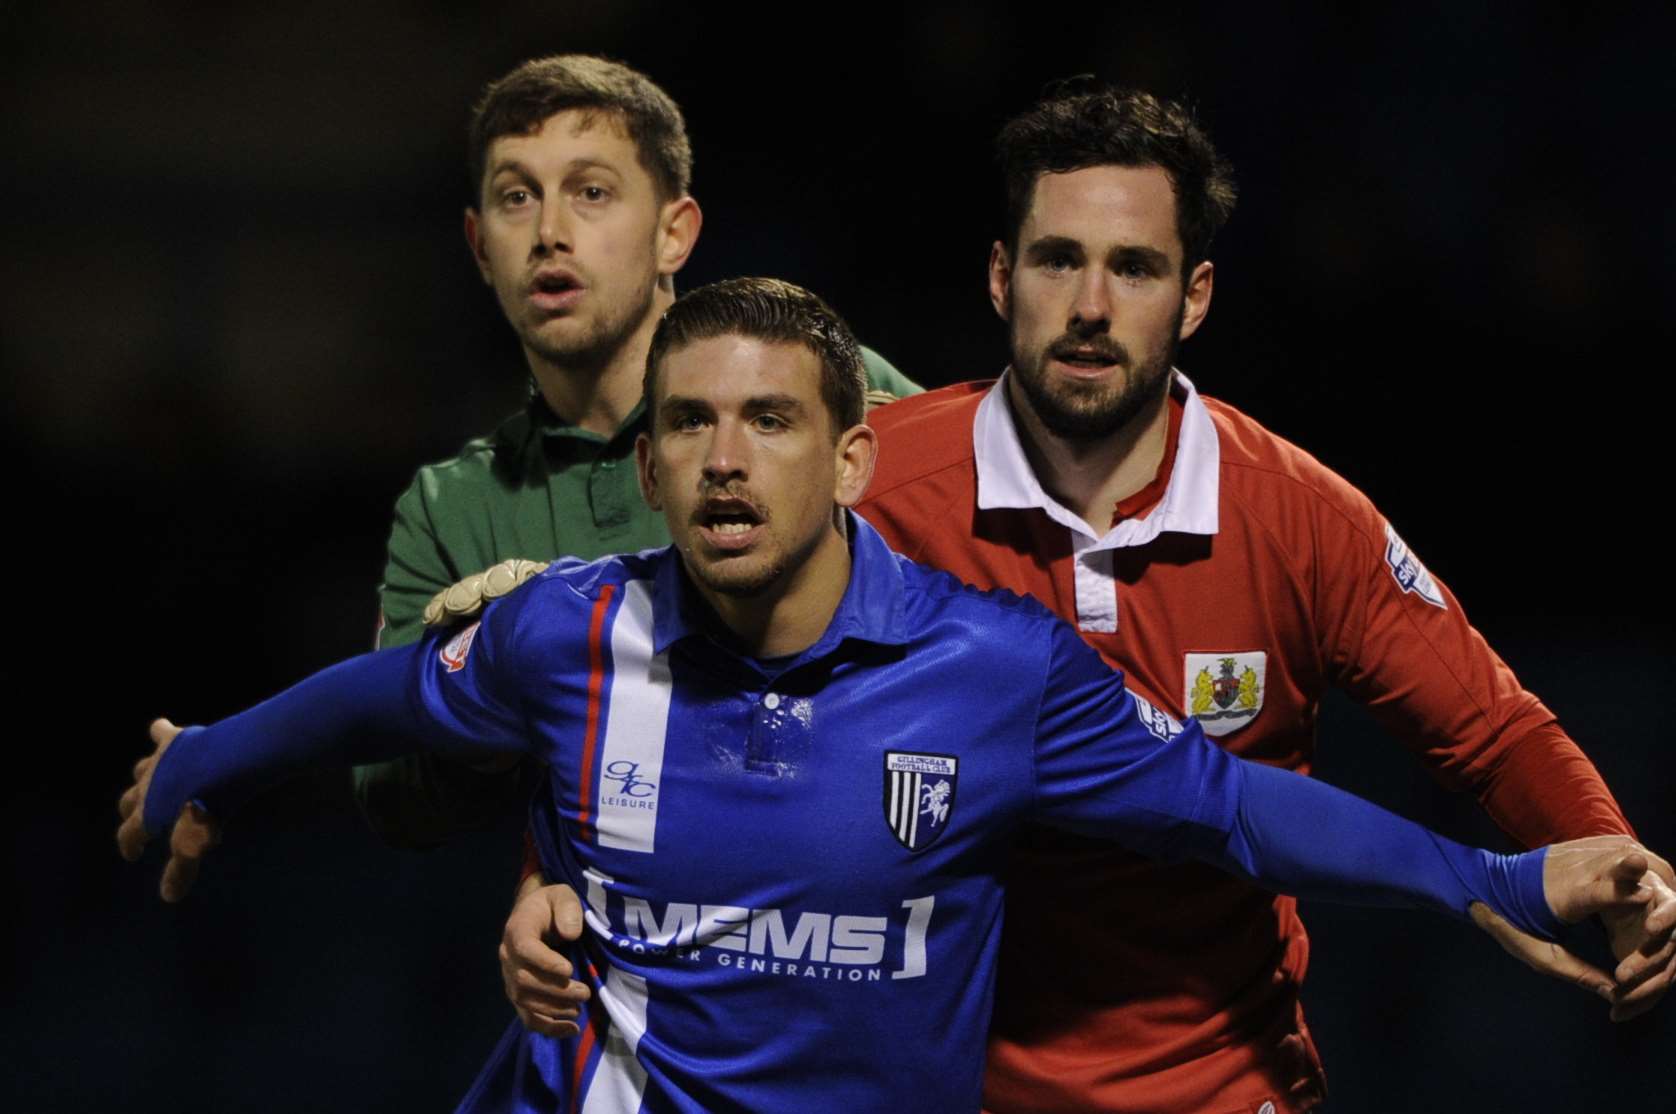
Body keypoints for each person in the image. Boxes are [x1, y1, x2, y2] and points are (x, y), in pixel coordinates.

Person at [118, 278, 1675, 1113]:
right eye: (693, 426)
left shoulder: (997, 672)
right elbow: (378, 699)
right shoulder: (569, 637)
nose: (728, 459)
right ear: (649, 464)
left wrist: (1499, 869)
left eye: (773, 421)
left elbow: (1233, 806)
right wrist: (202, 766)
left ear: (853, 454)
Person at [491, 83, 1676, 1111]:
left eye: (1135, 267)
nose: (1091, 305)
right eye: (1058, 259)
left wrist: (1618, 861)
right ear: (1003, 276)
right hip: (938, 1086)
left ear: (1193, 295)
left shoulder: (1297, 516)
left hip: (1221, 1079)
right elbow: (641, 658)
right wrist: (545, 880)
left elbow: (1489, 727)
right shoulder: (871, 479)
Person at [355, 53, 920, 847]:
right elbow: (393, 800)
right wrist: (483, 685)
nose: (550, 233)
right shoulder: (449, 508)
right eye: (518, 198)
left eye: (591, 192)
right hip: (618, 947)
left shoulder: (844, 394)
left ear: (673, 233)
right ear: (481, 247)